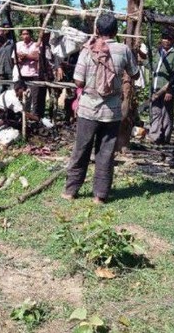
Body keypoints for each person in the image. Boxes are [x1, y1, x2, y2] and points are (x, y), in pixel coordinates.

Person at [62, 13, 139, 204]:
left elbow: (78, 80)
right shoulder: (124, 50)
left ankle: (71, 191)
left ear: (97, 30)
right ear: (116, 31)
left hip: (88, 109)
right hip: (112, 111)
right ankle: (100, 195)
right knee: (105, 153)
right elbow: (135, 75)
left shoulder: (87, 50)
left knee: (81, 150)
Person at [148, 30, 174, 144]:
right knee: (155, 112)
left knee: (166, 114)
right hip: (155, 88)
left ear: (173, 40)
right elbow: (150, 65)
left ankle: (165, 138)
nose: (166, 41)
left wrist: (170, 91)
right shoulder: (158, 52)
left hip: (167, 89)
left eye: (169, 39)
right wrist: (140, 54)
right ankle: (155, 137)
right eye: (164, 38)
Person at [15, 29, 46, 118]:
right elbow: (15, 59)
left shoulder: (36, 45)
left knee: (35, 98)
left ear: (31, 35)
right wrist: (23, 58)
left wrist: (26, 56)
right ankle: (24, 115)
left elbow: (37, 58)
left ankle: (34, 116)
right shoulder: (18, 45)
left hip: (34, 75)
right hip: (22, 74)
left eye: (27, 34)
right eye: (23, 34)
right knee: (23, 96)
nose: (25, 36)